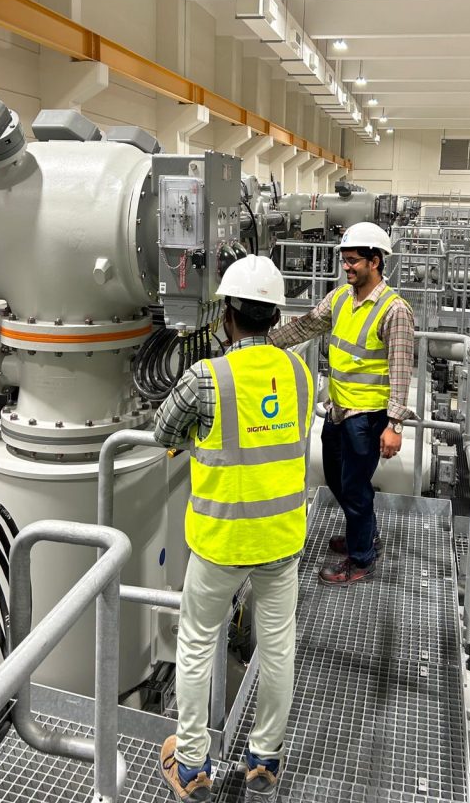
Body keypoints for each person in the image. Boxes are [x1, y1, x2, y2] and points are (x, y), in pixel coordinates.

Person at [155, 254, 313, 803]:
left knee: (197, 645)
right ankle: (264, 761)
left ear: (225, 315)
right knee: (278, 648)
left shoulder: (206, 377)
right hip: (281, 538)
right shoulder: (299, 373)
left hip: (221, 541)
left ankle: (192, 766)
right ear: (276, 316)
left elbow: (163, 432)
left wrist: (199, 436)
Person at [270, 221, 414, 586]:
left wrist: (395, 425)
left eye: (353, 261)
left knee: (354, 487)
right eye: (344, 261)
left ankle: (361, 558)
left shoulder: (394, 310)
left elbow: (400, 370)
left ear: (375, 261)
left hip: (367, 418)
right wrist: (264, 342)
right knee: (338, 479)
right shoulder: (339, 299)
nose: (346, 267)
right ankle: (364, 534)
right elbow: (306, 326)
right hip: (337, 411)